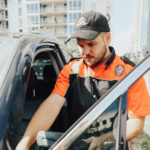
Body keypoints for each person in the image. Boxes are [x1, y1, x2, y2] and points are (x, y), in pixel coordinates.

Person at [16, 11, 150, 150]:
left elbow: (136, 122)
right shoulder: (72, 69)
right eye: (80, 45)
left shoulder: (129, 73)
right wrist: (25, 141)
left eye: (91, 44)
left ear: (107, 38)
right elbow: (52, 105)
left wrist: (105, 139)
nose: (84, 52)